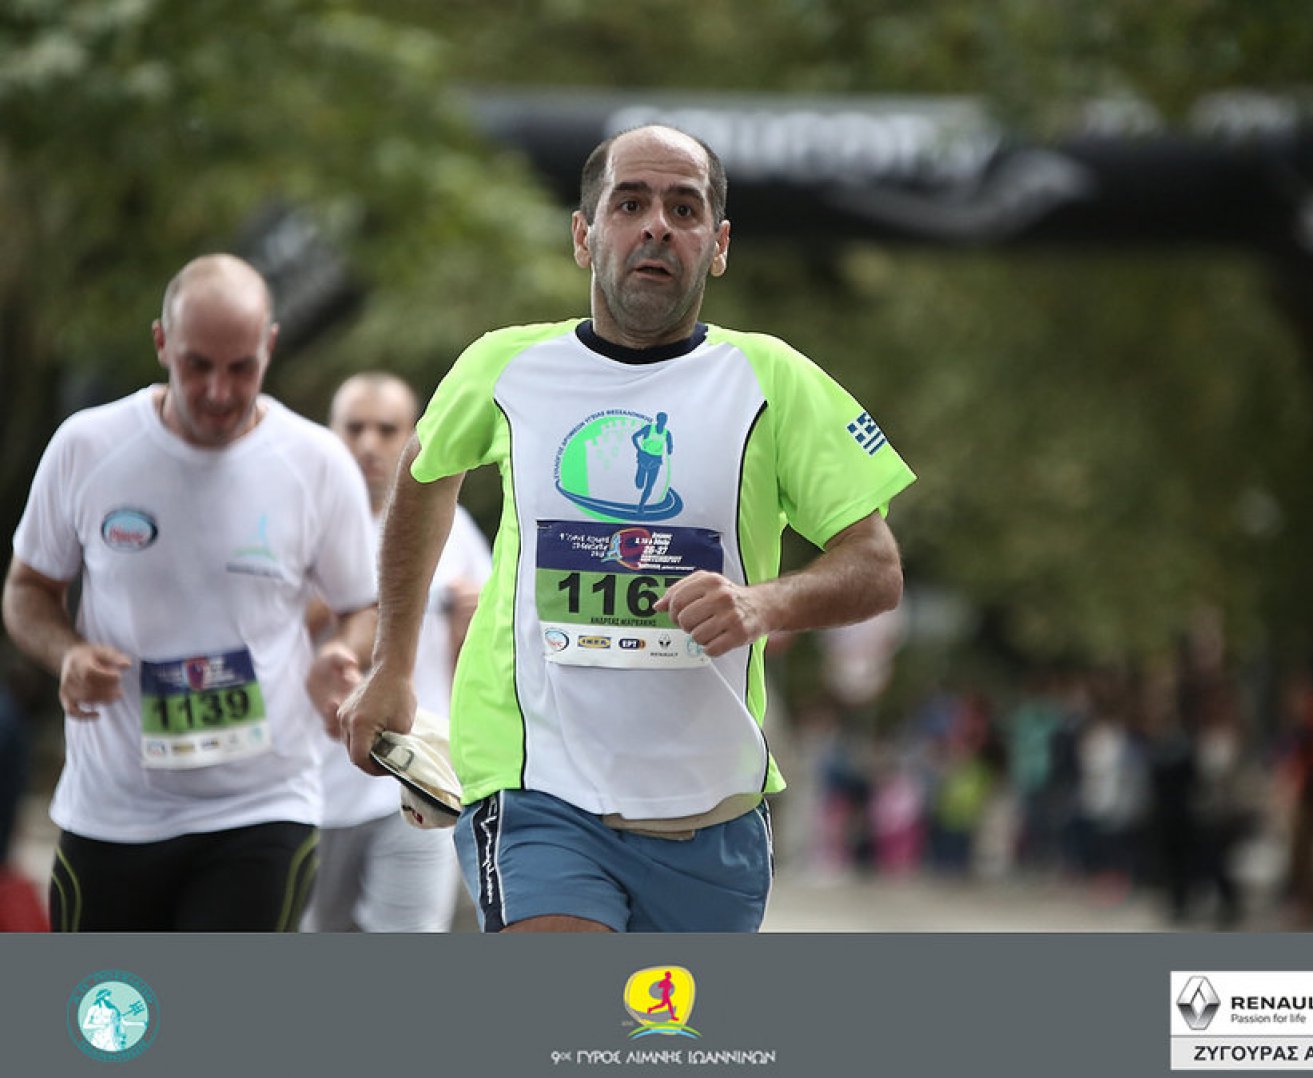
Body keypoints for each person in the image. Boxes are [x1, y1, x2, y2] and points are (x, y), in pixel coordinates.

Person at [340, 124, 915, 933]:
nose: (656, 227)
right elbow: (424, 475)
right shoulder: (505, 365)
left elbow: (877, 566)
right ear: (584, 235)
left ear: (717, 246)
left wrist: (762, 605)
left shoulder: (772, 380)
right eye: (630, 204)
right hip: (536, 789)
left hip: (712, 809)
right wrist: (392, 666)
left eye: (684, 209)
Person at [1, 253, 378, 931]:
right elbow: (27, 590)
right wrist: (67, 654)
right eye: (197, 365)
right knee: (107, 1002)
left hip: (262, 806)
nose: (218, 391)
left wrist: (341, 656)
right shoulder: (88, 447)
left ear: (269, 347)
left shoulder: (317, 462)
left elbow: (364, 606)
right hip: (113, 810)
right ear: (161, 343)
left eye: (241, 368)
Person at [303, 372, 492, 932]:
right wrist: (332, 608)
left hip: (414, 783)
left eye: (387, 430)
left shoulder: (449, 523)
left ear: (412, 434)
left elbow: (485, 665)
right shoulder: (299, 521)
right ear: (331, 432)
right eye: (355, 427)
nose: (369, 444)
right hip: (314, 789)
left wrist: (469, 625)